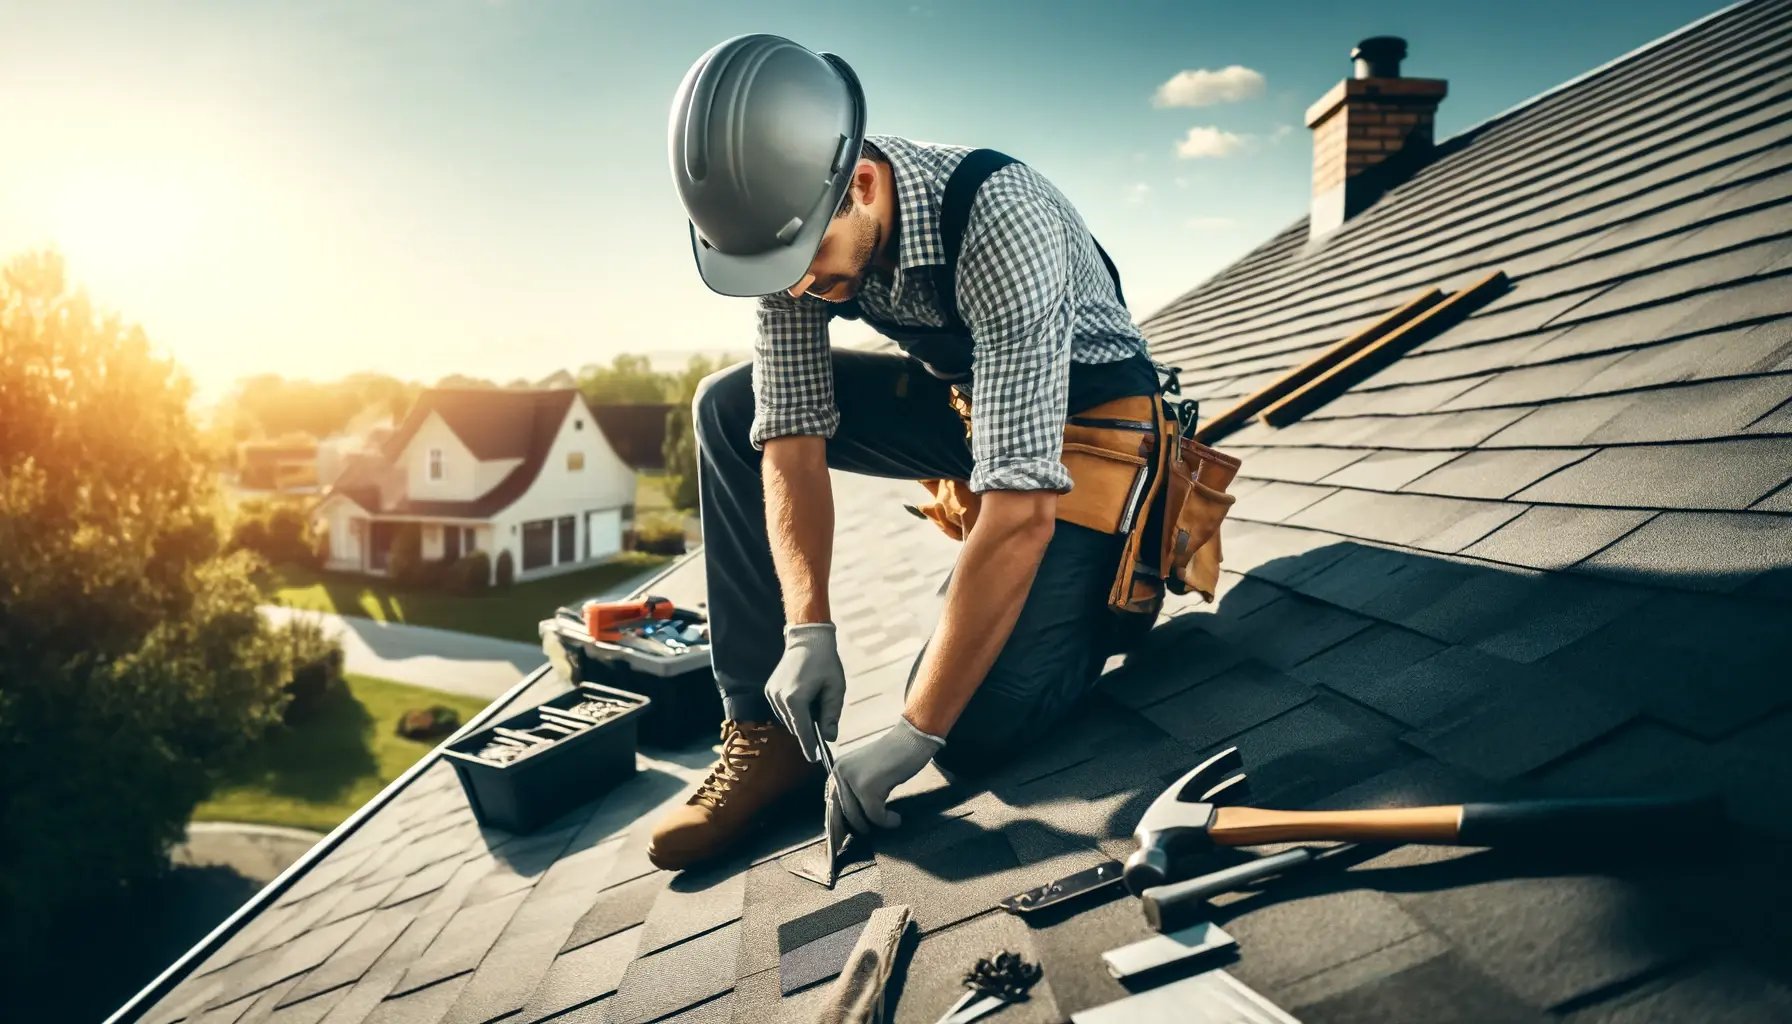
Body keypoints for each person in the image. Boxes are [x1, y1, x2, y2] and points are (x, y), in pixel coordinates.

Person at [648, 32, 1171, 871]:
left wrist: (913, 734)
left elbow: (1023, 508)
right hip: (971, 412)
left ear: (859, 181)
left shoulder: (1003, 216)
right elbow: (789, 433)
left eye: (810, 264)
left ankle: (1097, 602)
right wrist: (806, 627)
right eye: (778, 273)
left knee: (967, 728)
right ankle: (764, 734)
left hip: (1092, 428)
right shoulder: (792, 245)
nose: (798, 291)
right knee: (729, 403)